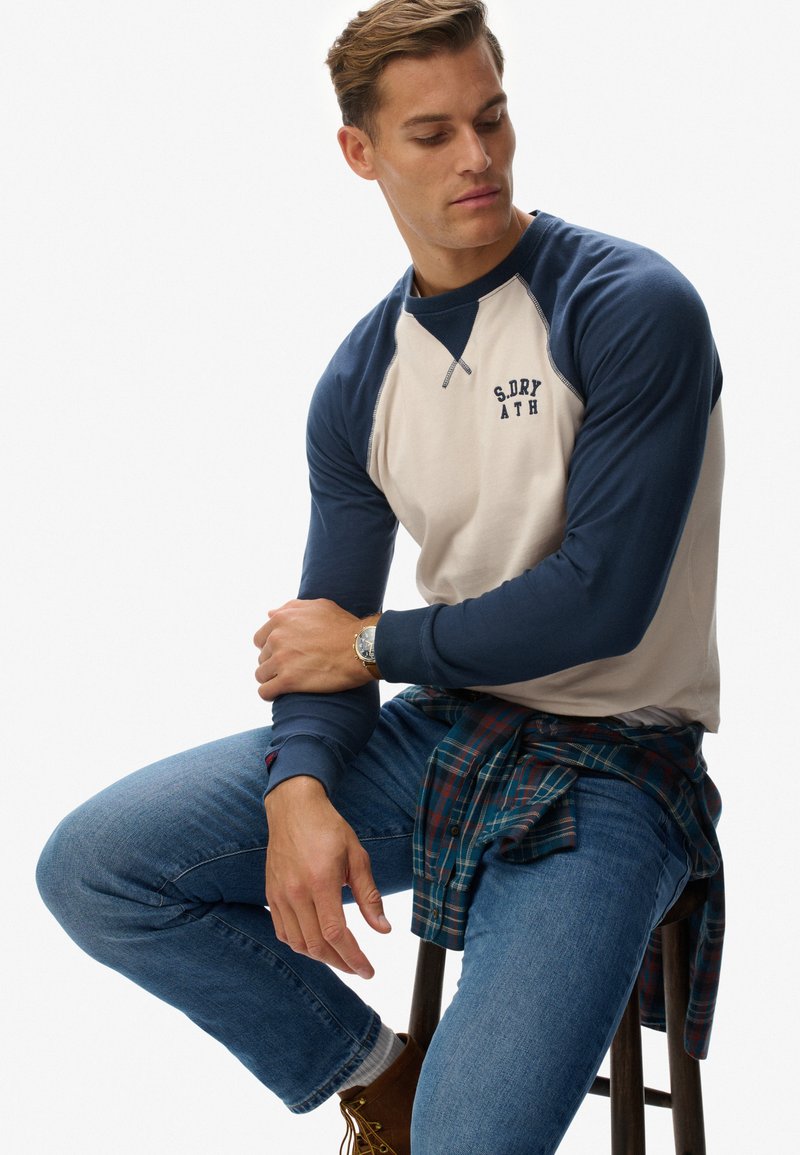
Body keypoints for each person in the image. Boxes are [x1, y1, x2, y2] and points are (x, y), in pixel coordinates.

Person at [36, 2, 725, 1152]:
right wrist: (299, 784)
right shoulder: (361, 380)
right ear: (360, 152)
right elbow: (323, 631)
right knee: (97, 868)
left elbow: (599, 601)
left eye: (490, 119)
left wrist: (369, 646)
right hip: (444, 732)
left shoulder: (625, 306)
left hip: (615, 767)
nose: (476, 158)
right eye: (432, 133)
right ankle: (375, 1076)